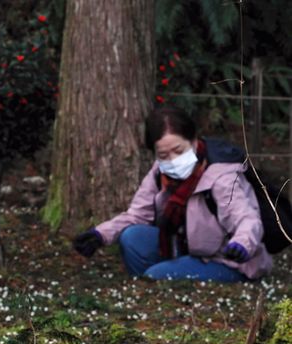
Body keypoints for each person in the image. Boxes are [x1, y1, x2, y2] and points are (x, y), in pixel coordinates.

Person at [72, 106, 272, 282]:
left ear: (193, 142)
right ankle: (149, 289)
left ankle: (157, 283)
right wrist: (101, 234)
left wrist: (241, 244)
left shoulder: (222, 176)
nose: (173, 160)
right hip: (185, 247)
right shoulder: (160, 172)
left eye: (178, 150)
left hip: (228, 260)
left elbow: (247, 219)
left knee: (156, 275)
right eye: (163, 155)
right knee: (132, 237)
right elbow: (138, 215)